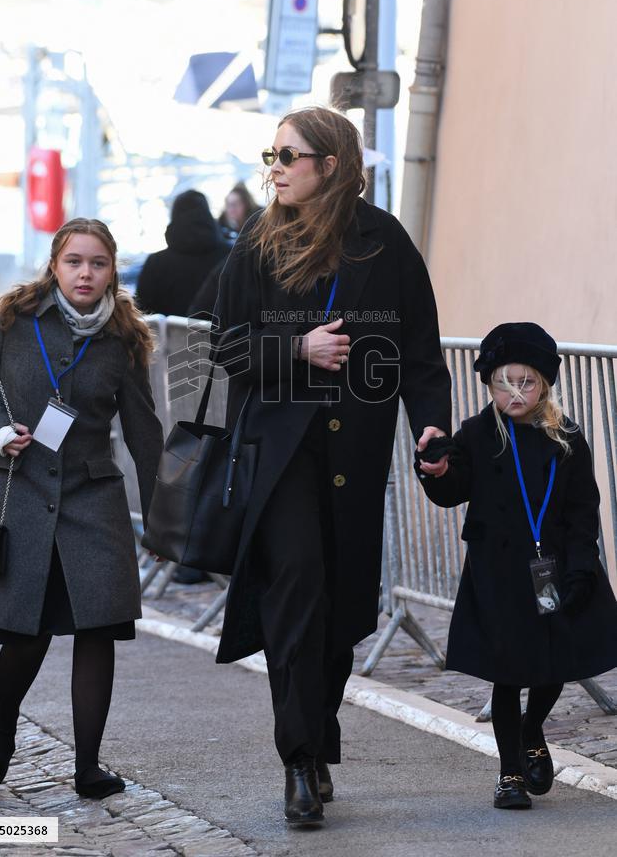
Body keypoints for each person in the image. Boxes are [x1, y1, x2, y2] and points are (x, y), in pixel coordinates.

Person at [211, 106, 451, 827]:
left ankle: (317, 739)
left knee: (343, 605)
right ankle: (297, 758)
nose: (275, 167)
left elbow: (420, 351)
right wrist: (298, 350)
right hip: (281, 453)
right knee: (296, 594)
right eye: (272, 154)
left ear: (332, 165)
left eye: (289, 155)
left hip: (356, 448)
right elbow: (222, 348)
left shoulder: (385, 243)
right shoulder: (257, 241)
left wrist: (430, 423)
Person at [0, 218, 163, 799]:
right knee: (28, 633)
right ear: (55, 265)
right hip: (18, 491)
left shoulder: (124, 336)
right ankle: (5, 715)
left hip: (93, 499)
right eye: (75, 262)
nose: (86, 273)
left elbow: (143, 429)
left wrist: (169, 517)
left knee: (98, 630)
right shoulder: (14, 321)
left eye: (98, 263)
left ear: (112, 269)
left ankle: (88, 766)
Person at [417, 323, 617, 810]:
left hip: (549, 570)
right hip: (498, 575)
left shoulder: (565, 437)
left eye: (525, 382)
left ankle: (532, 728)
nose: (514, 393)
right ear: (489, 385)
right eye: (503, 383)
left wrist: (579, 569)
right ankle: (509, 774)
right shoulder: (477, 433)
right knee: (508, 672)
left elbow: (580, 512)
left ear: (543, 384)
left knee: (552, 661)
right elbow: (452, 490)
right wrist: (437, 471)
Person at [135, 190, 231, 317]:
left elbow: (142, 313)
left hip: (167, 336)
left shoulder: (156, 263)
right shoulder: (230, 256)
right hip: (224, 336)